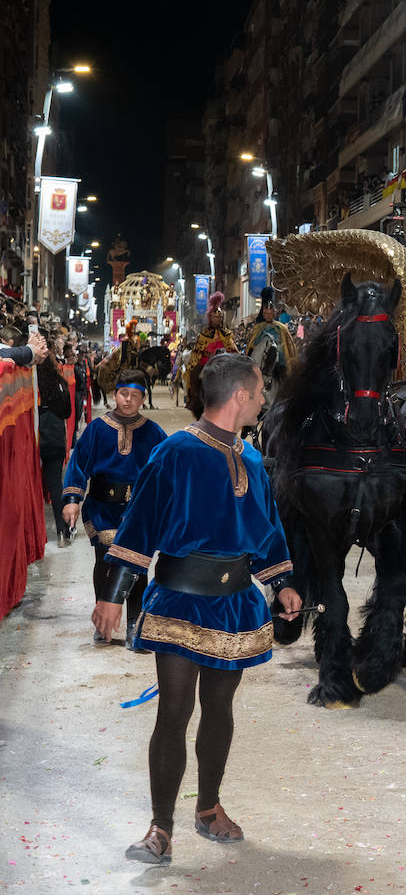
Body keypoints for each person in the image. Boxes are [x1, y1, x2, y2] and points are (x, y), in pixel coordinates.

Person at [96, 354, 302, 865]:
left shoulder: (252, 460)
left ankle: (207, 808)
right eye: (258, 392)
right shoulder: (175, 454)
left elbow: (268, 529)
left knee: (220, 710)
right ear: (238, 397)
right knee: (174, 711)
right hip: (179, 602)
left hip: (235, 606)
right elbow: (139, 524)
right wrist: (112, 594)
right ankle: (159, 829)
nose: (262, 400)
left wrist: (282, 585)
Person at [62, 368, 168, 642]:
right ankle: (103, 620)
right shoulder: (98, 429)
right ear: (114, 394)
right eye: (124, 394)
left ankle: (135, 622)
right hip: (102, 507)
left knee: (137, 564)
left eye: (135, 395)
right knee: (106, 561)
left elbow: (169, 471)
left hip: (137, 512)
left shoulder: (154, 433)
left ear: (143, 399)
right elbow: (78, 464)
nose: (128, 400)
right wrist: (72, 499)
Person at [36, 337, 73, 545]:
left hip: (35, 437)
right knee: (55, 485)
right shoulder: (60, 382)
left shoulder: (31, 382)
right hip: (55, 437)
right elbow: (67, 412)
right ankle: (62, 531)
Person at [186, 292, 240, 419]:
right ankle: (193, 397)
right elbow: (198, 351)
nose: (218, 320)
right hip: (206, 361)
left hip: (223, 361)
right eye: (216, 318)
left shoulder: (226, 334)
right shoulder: (204, 334)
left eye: (220, 317)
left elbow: (233, 349)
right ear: (211, 318)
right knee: (194, 373)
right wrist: (206, 353)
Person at [244, 286, 298, 380]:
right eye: (266, 314)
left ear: (274, 313)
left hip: (279, 357)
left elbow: (289, 346)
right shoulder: (258, 328)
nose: (268, 316)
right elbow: (251, 345)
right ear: (263, 314)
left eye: (270, 313)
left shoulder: (281, 328)